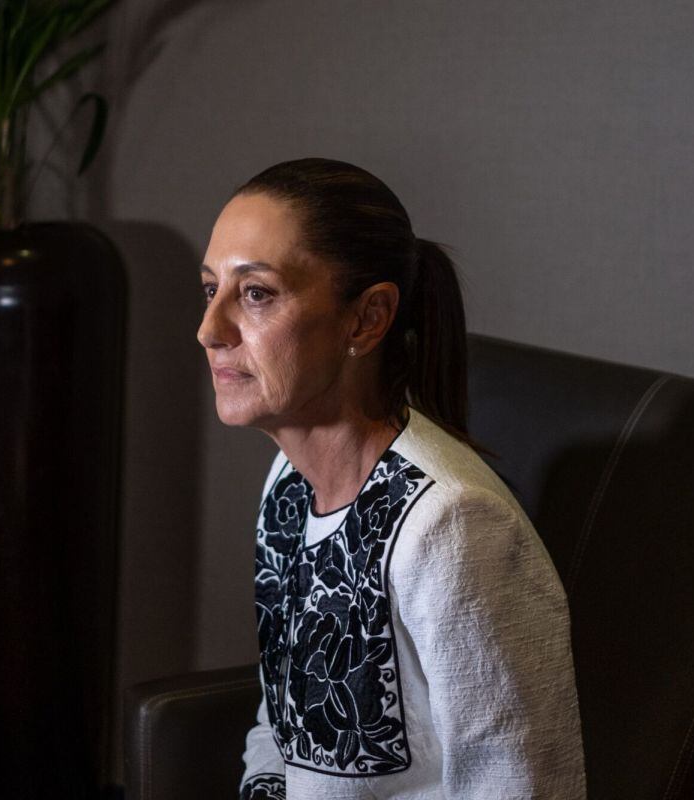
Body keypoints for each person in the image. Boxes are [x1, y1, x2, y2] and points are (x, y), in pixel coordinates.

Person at [197, 158, 586, 800]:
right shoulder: (287, 485)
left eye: (257, 293)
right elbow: (283, 725)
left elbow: (519, 787)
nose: (210, 330)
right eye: (210, 288)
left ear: (366, 319)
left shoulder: (453, 525)